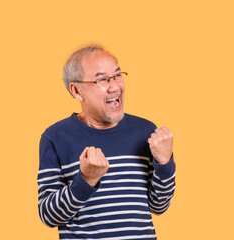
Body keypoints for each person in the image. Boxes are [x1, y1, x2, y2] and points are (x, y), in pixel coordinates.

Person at [37, 44, 176, 240]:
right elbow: (48, 216)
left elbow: (158, 206)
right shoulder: (55, 137)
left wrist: (165, 163)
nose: (115, 86)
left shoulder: (146, 131)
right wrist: (86, 180)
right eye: (102, 79)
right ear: (76, 91)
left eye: (118, 75)